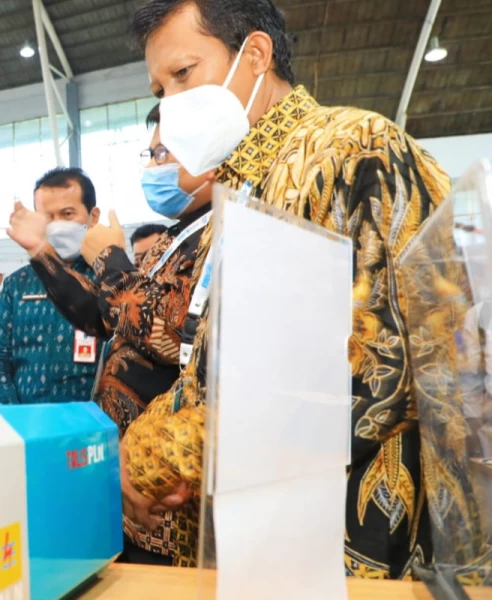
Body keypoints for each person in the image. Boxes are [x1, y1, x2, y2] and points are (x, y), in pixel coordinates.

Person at [117, 0, 451, 579]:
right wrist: (145, 440)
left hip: (354, 541)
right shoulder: (242, 192)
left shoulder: (354, 148)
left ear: (255, 55)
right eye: (159, 90)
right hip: (260, 535)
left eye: (184, 75)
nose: (169, 107)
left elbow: (386, 368)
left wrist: (176, 450)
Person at [7, 110, 213, 564]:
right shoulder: (178, 237)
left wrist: (109, 260)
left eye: (162, 153)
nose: (154, 166)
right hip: (121, 472)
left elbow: (167, 335)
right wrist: (42, 253)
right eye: (151, 153)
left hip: (167, 485)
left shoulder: (221, 232)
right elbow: (102, 318)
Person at [0, 168, 103, 405]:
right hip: (28, 425)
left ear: (93, 216)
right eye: (47, 217)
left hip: (95, 425)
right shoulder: (17, 285)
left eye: (68, 214)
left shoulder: (110, 279)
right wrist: (14, 419)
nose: (57, 225)